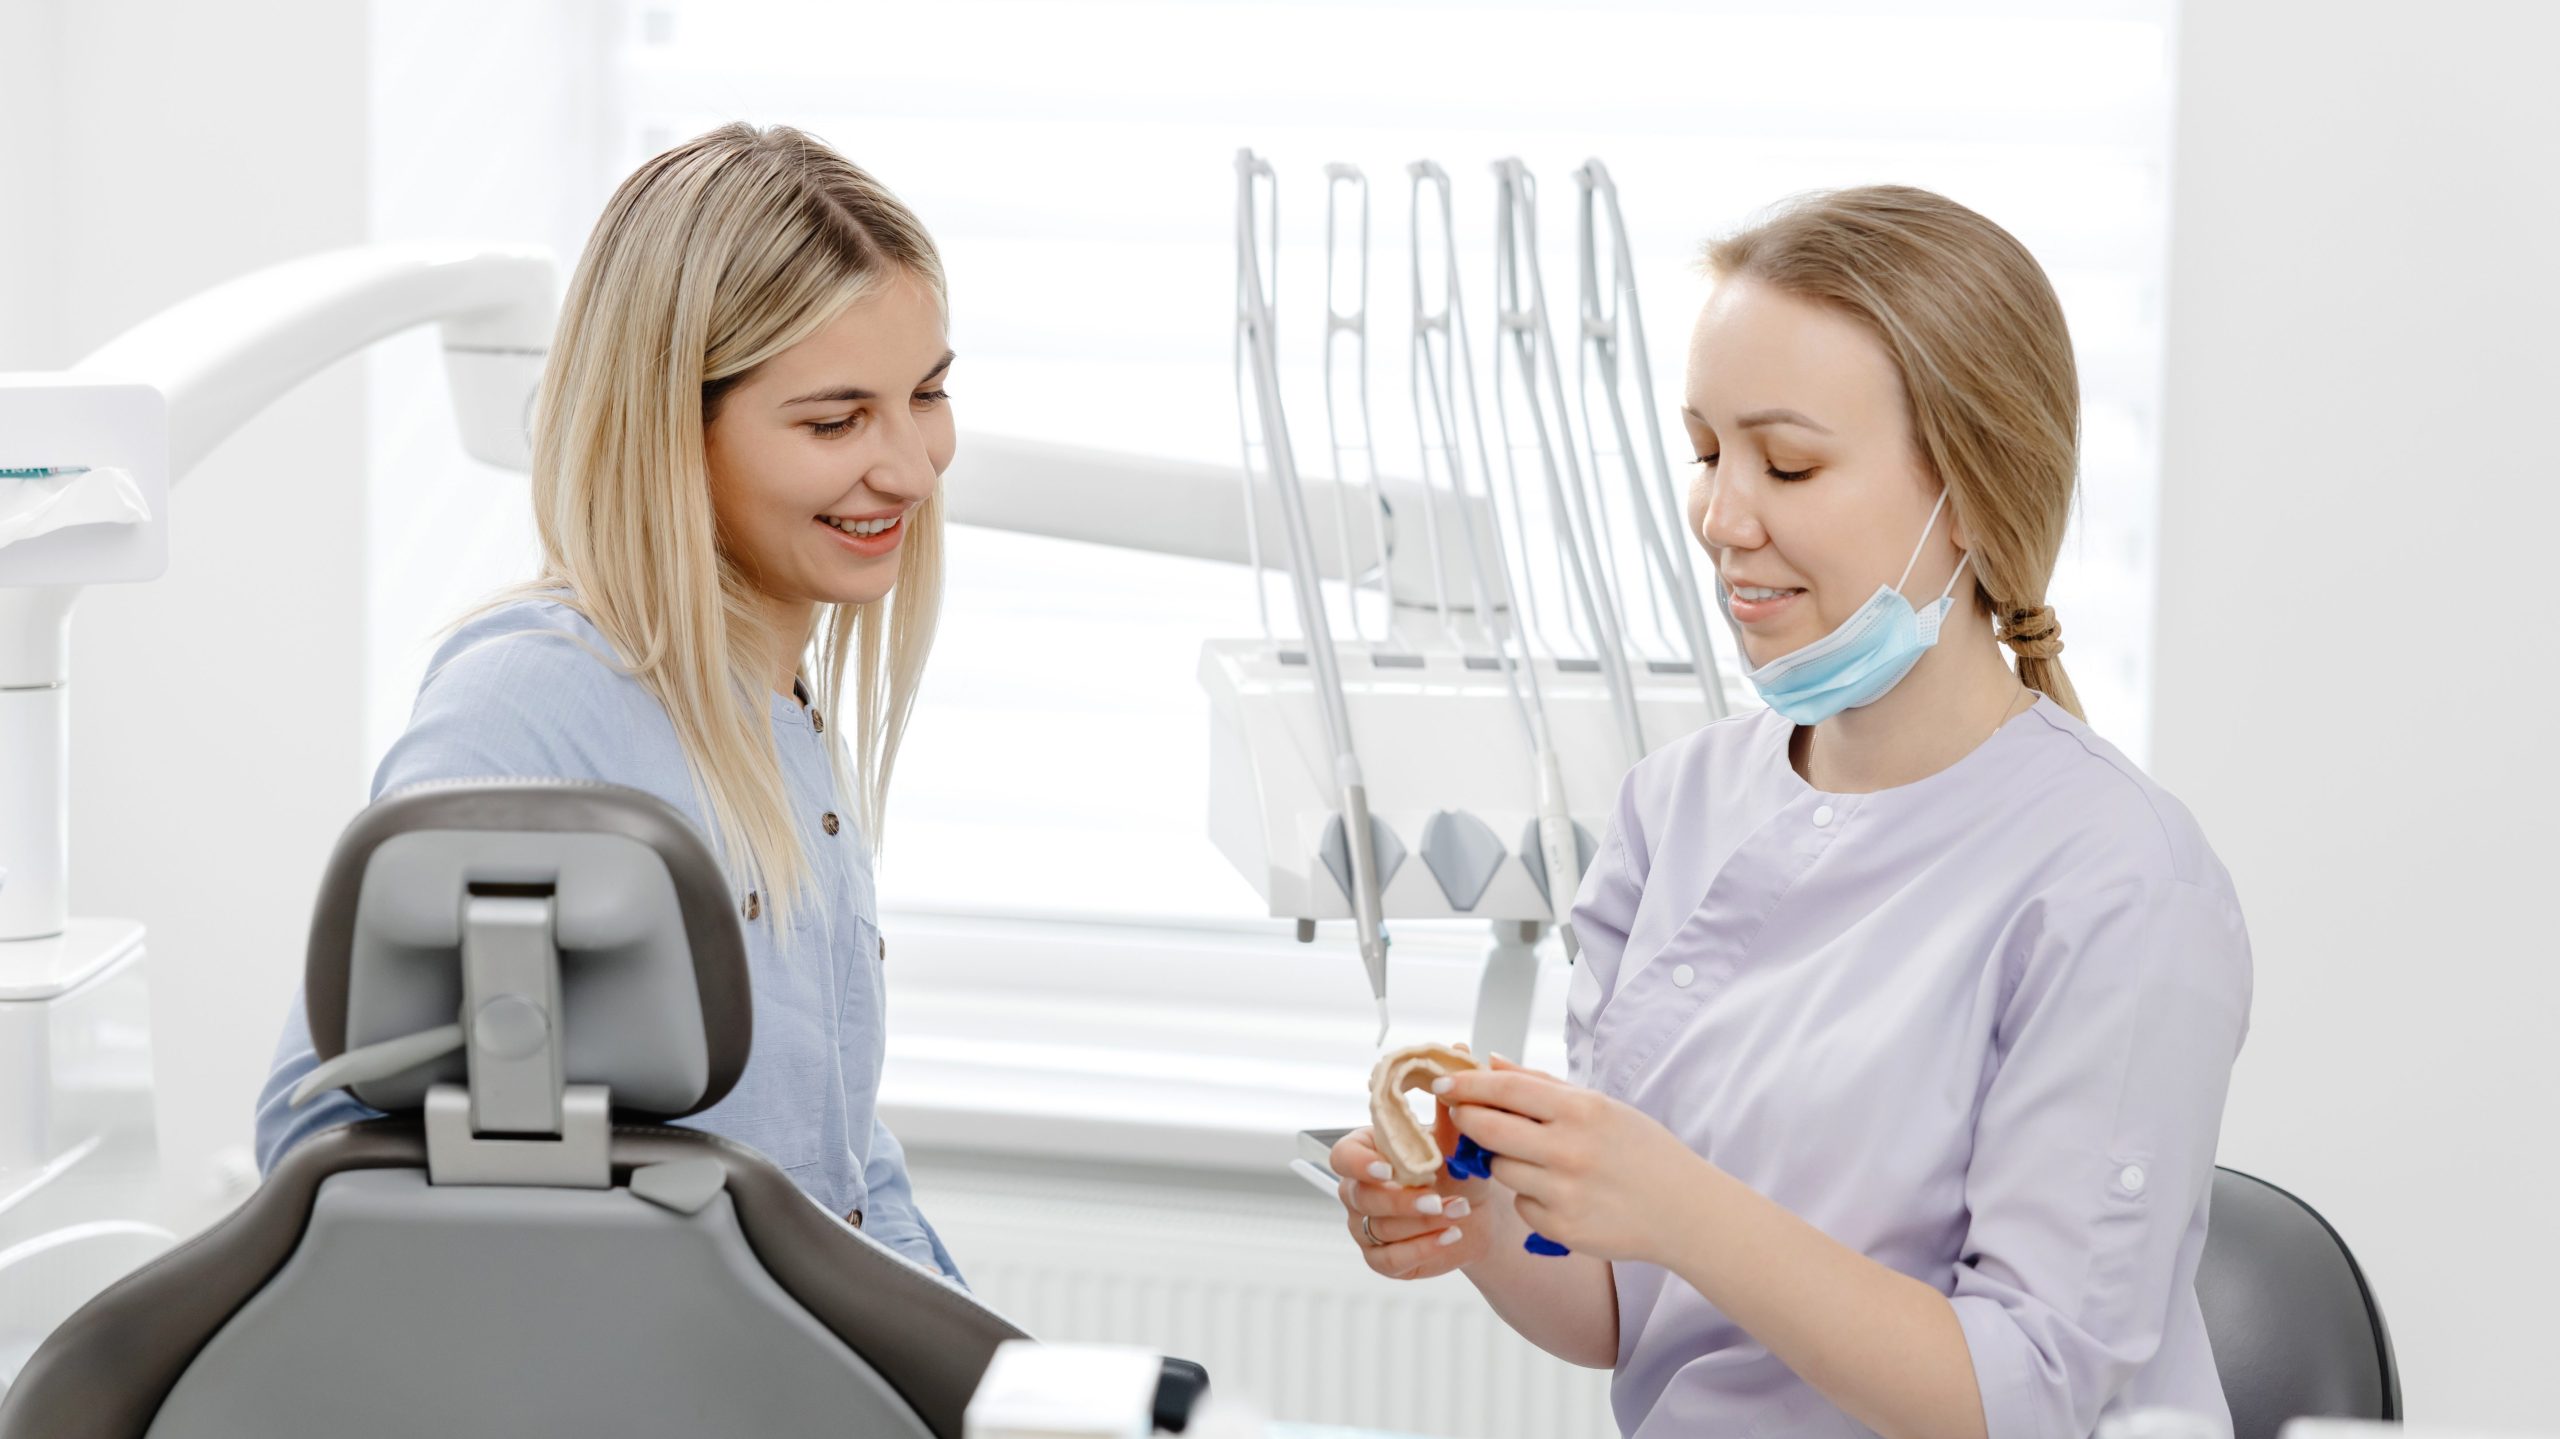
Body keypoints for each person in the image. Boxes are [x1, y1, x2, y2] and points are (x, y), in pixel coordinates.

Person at [1330, 185, 2251, 1438]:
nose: (1720, 519)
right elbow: (1620, 1307)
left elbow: (2026, 1395)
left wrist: (1674, 1199)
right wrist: (1479, 1211)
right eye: (1706, 452)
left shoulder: (2120, 882)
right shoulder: (1677, 805)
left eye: (1789, 461)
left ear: (1974, 489)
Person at [253, 123, 966, 1281]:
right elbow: (318, 1145)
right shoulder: (539, 699)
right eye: (836, 420)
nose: (913, 465)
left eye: (926, 394)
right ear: (672, 431)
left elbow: (834, 1169)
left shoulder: (778, 707)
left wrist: (1001, 1372)